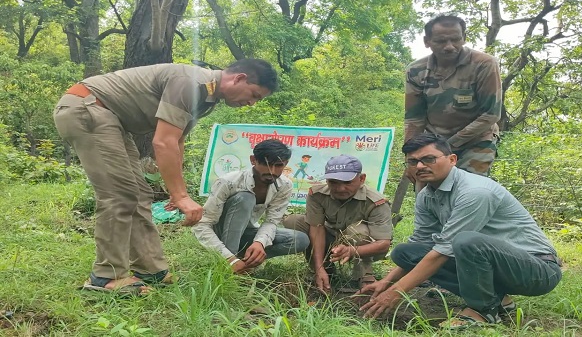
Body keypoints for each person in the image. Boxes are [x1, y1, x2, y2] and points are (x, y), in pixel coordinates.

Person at [53, 59, 278, 294]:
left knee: (139, 193)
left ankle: (150, 269)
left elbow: (177, 141)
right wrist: (180, 196)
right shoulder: (191, 83)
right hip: (88, 107)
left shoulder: (207, 98)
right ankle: (105, 276)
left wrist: (176, 190)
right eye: (254, 95)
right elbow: (162, 142)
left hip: (111, 119)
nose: (251, 103)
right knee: (120, 195)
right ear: (239, 78)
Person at [359, 133, 562, 329]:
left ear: (452, 159)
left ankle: (483, 312)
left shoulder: (475, 192)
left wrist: (396, 292)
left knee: (465, 242)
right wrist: (386, 283)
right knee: (405, 253)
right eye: (413, 162)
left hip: (537, 270)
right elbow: (422, 245)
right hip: (496, 264)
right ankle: (498, 299)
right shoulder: (426, 195)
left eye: (428, 159)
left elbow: (443, 251)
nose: (420, 166)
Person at [392, 14, 503, 222]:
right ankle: (427, 243)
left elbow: (490, 114)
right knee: (425, 190)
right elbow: (414, 119)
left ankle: (466, 243)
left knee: (470, 191)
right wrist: (412, 159)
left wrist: (448, 146)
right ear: (427, 42)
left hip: (476, 139)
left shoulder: (484, 64)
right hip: (434, 141)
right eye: (441, 41)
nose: (449, 46)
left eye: (456, 39)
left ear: (464, 37)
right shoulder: (416, 70)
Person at [192, 139, 310, 274]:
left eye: (278, 165)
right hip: (220, 232)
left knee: (300, 239)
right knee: (245, 198)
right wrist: (228, 257)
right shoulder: (229, 181)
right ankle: (229, 263)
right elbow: (202, 224)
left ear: (286, 164)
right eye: (267, 164)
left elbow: (271, 221)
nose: (272, 171)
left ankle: (246, 261)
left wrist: (259, 243)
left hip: (247, 232)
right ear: (253, 160)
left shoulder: (284, 185)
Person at [284, 155, 393, 292]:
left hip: (363, 245)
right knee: (294, 222)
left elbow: (383, 244)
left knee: (358, 231)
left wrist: (351, 251)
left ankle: (365, 275)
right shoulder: (317, 194)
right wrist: (319, 267)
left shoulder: (376, 202)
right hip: (330, 239)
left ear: (361, 179)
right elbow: (316, 229)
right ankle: (324, 271)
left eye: (347, 183)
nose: (340, 188)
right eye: (334, 182)